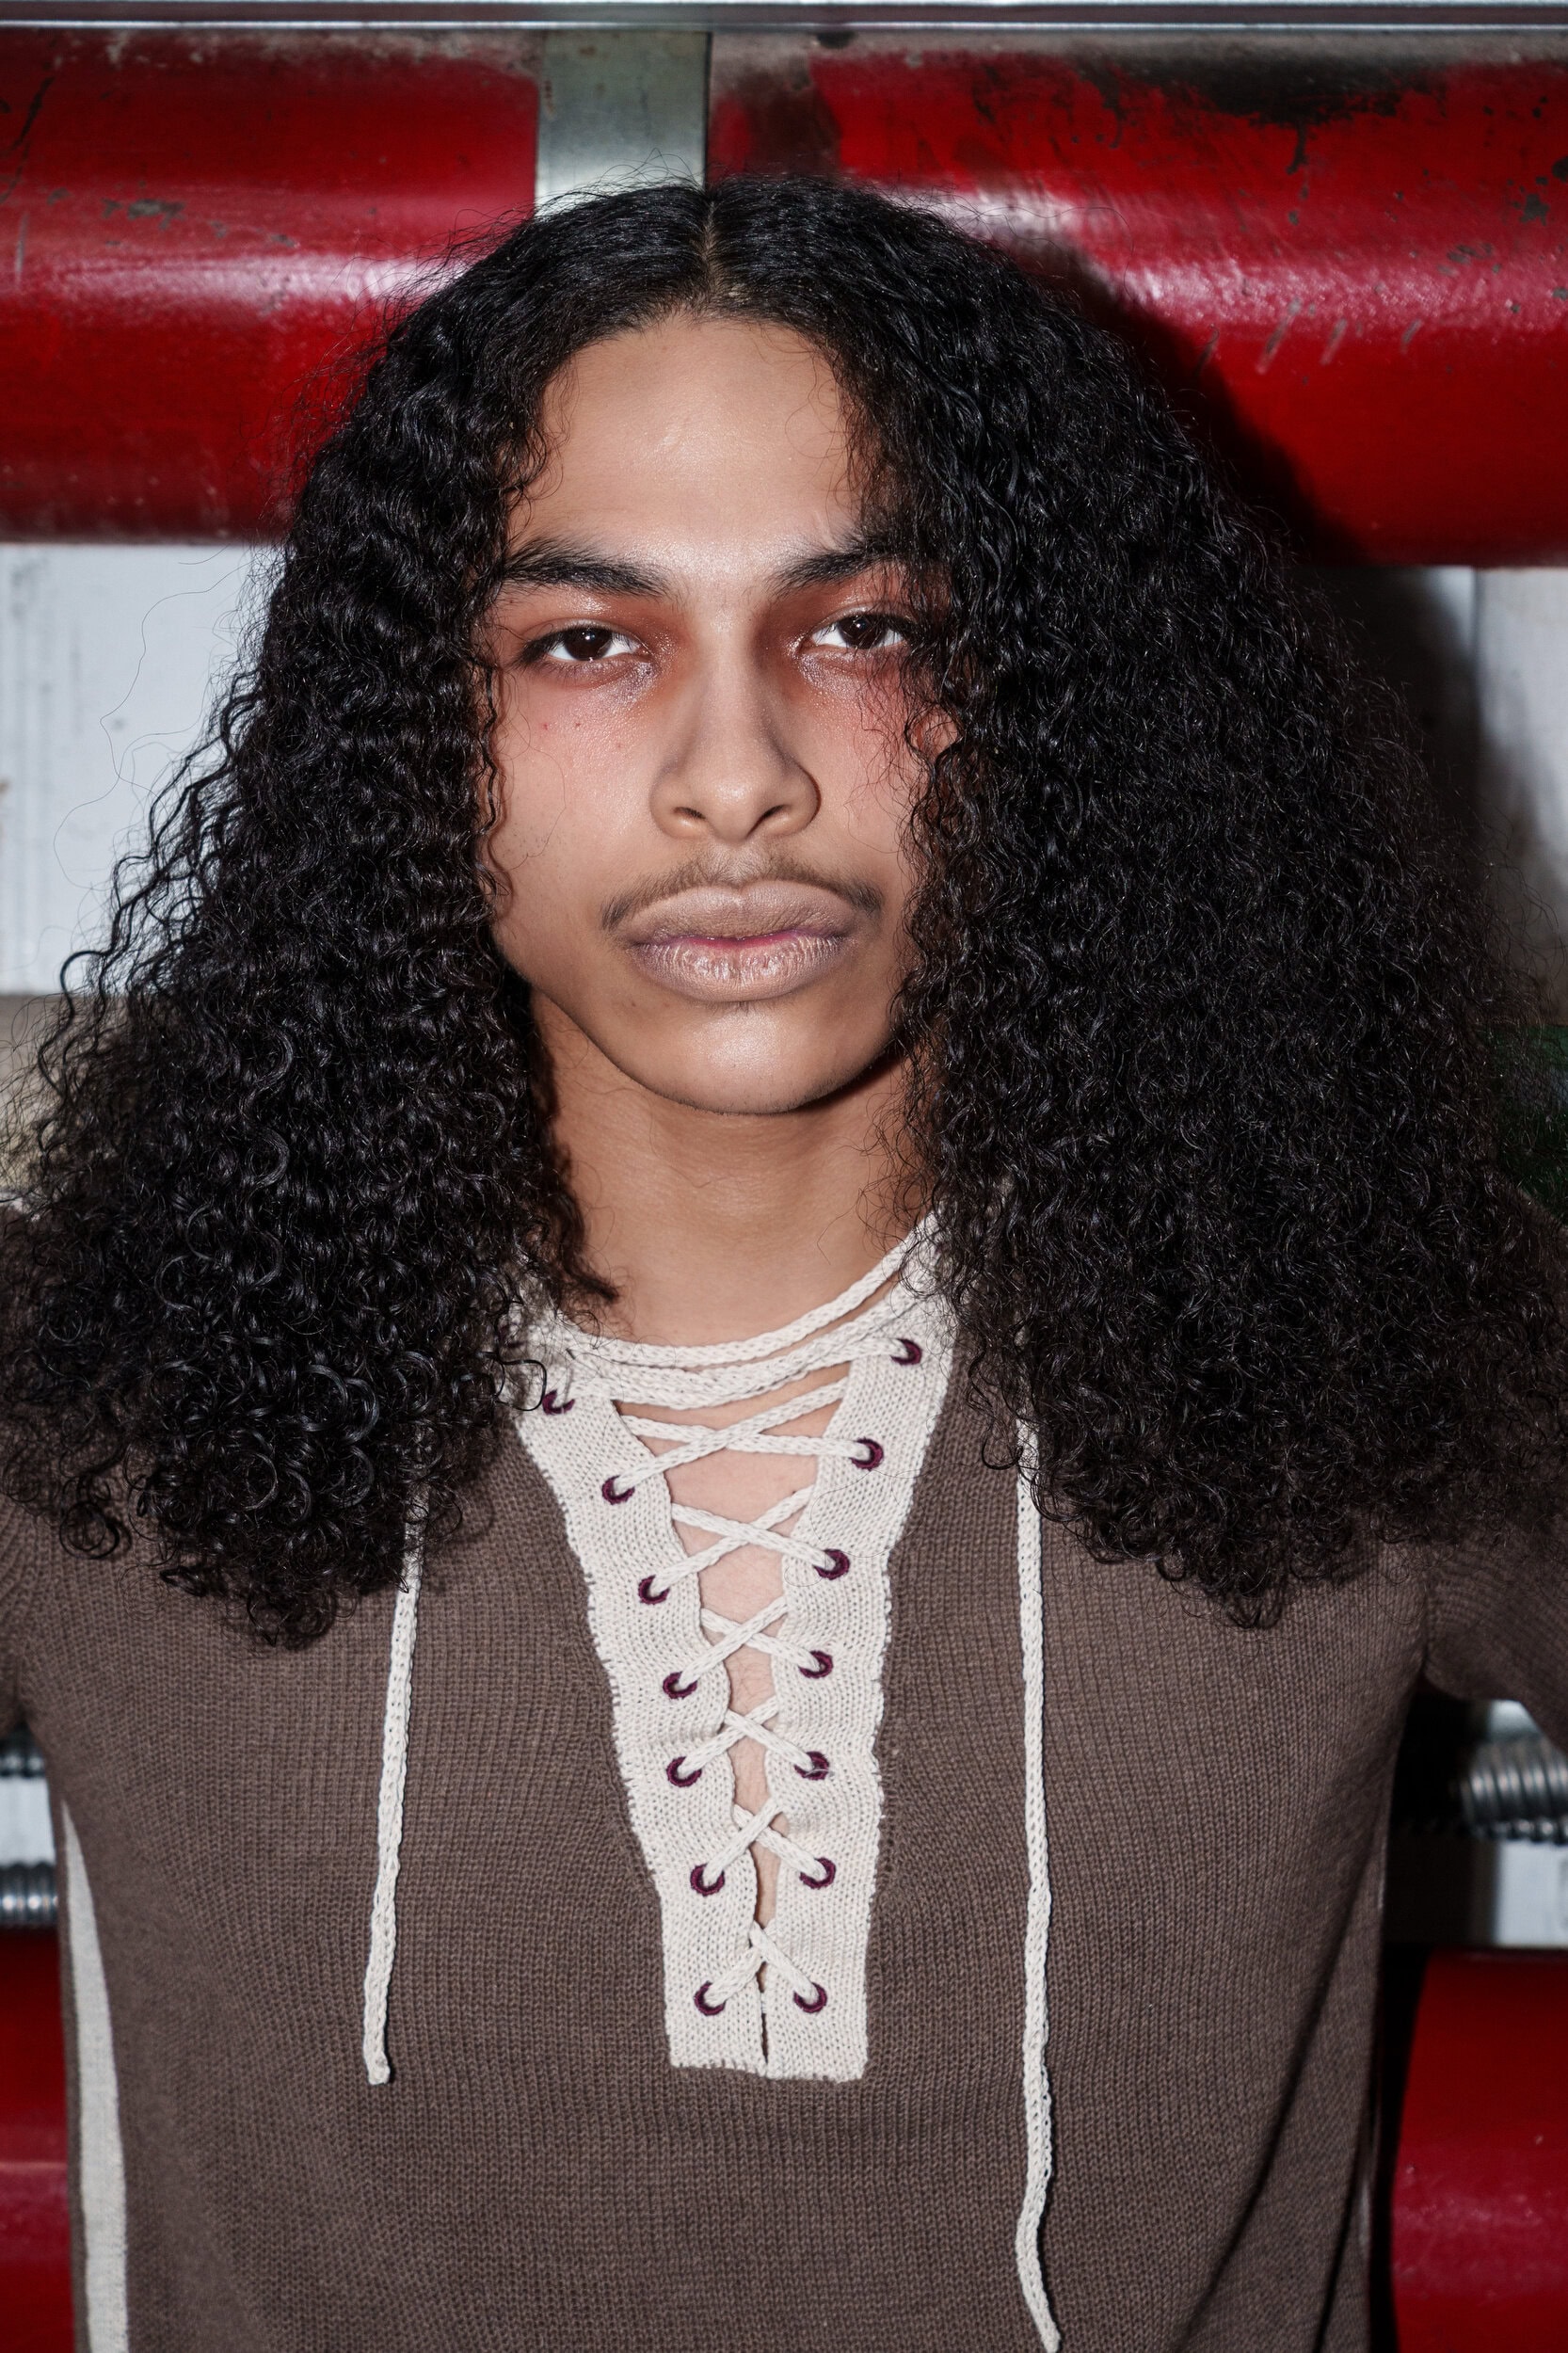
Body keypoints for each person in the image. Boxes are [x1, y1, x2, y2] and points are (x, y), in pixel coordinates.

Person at [2, 174, 1565, 2353]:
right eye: (585, 641)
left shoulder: (1364, 1347)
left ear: (1043, 703)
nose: (732, 779)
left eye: (864, 630)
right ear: (412, 741)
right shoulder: (95, 1395)